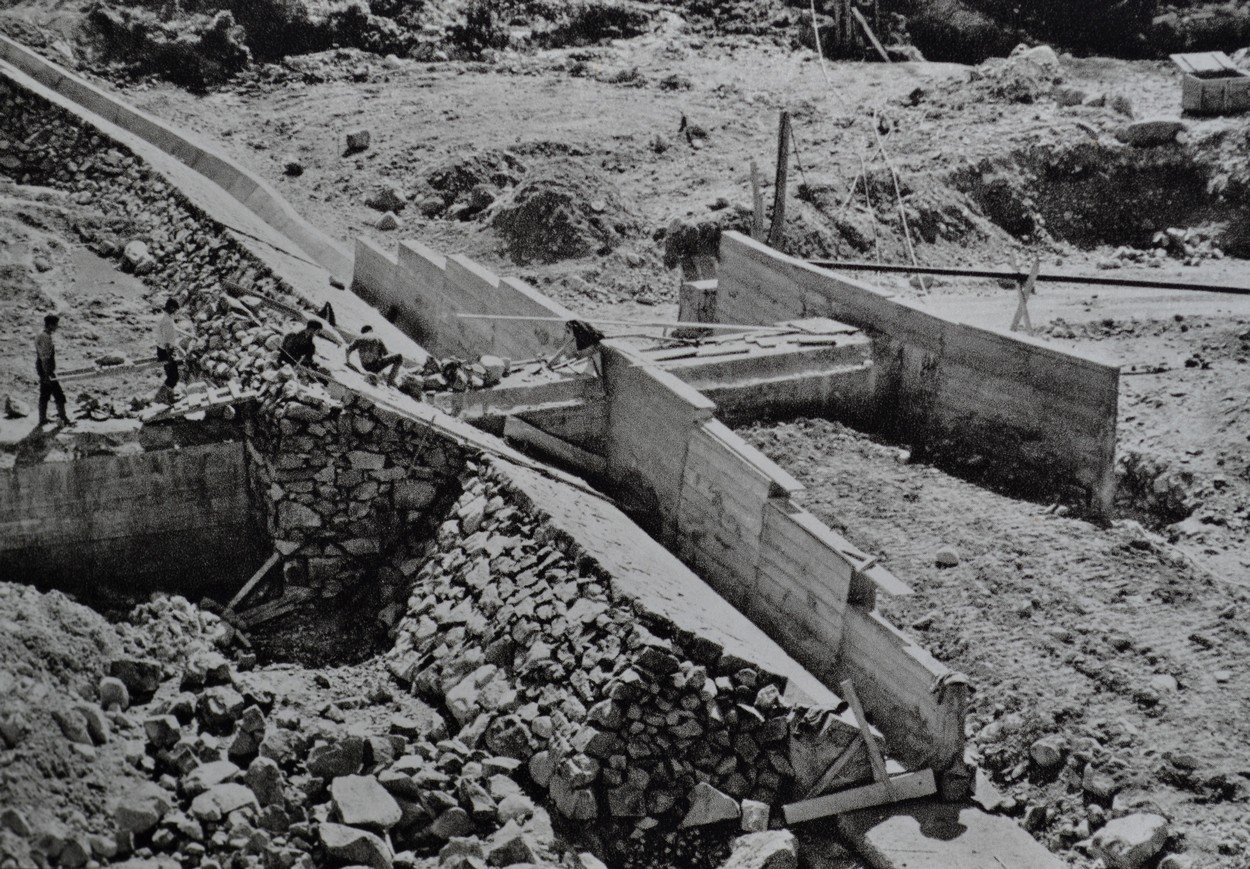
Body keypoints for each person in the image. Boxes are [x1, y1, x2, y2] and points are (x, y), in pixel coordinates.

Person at [35, 313, 71, 426]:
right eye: (55, 325)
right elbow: (45, 357)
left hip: (43, 368)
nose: (56, 327)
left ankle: (42, 419)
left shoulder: (41, 334)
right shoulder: (45, 337)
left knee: (45, 394)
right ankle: (63, 418)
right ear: (50, 325)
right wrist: (47, 374)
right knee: (58, 394)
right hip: (46, 369)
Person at [155, 298, 181, 402]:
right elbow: (167, 342)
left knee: (170, 374)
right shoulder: (168, 322)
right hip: (165, 352)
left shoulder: (164, 317)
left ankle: (169, 395)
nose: (176, 312)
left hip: (160, 349)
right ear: (171, 308)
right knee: (174, 377)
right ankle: (162, 396)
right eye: (175, 310)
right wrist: (171, 357)